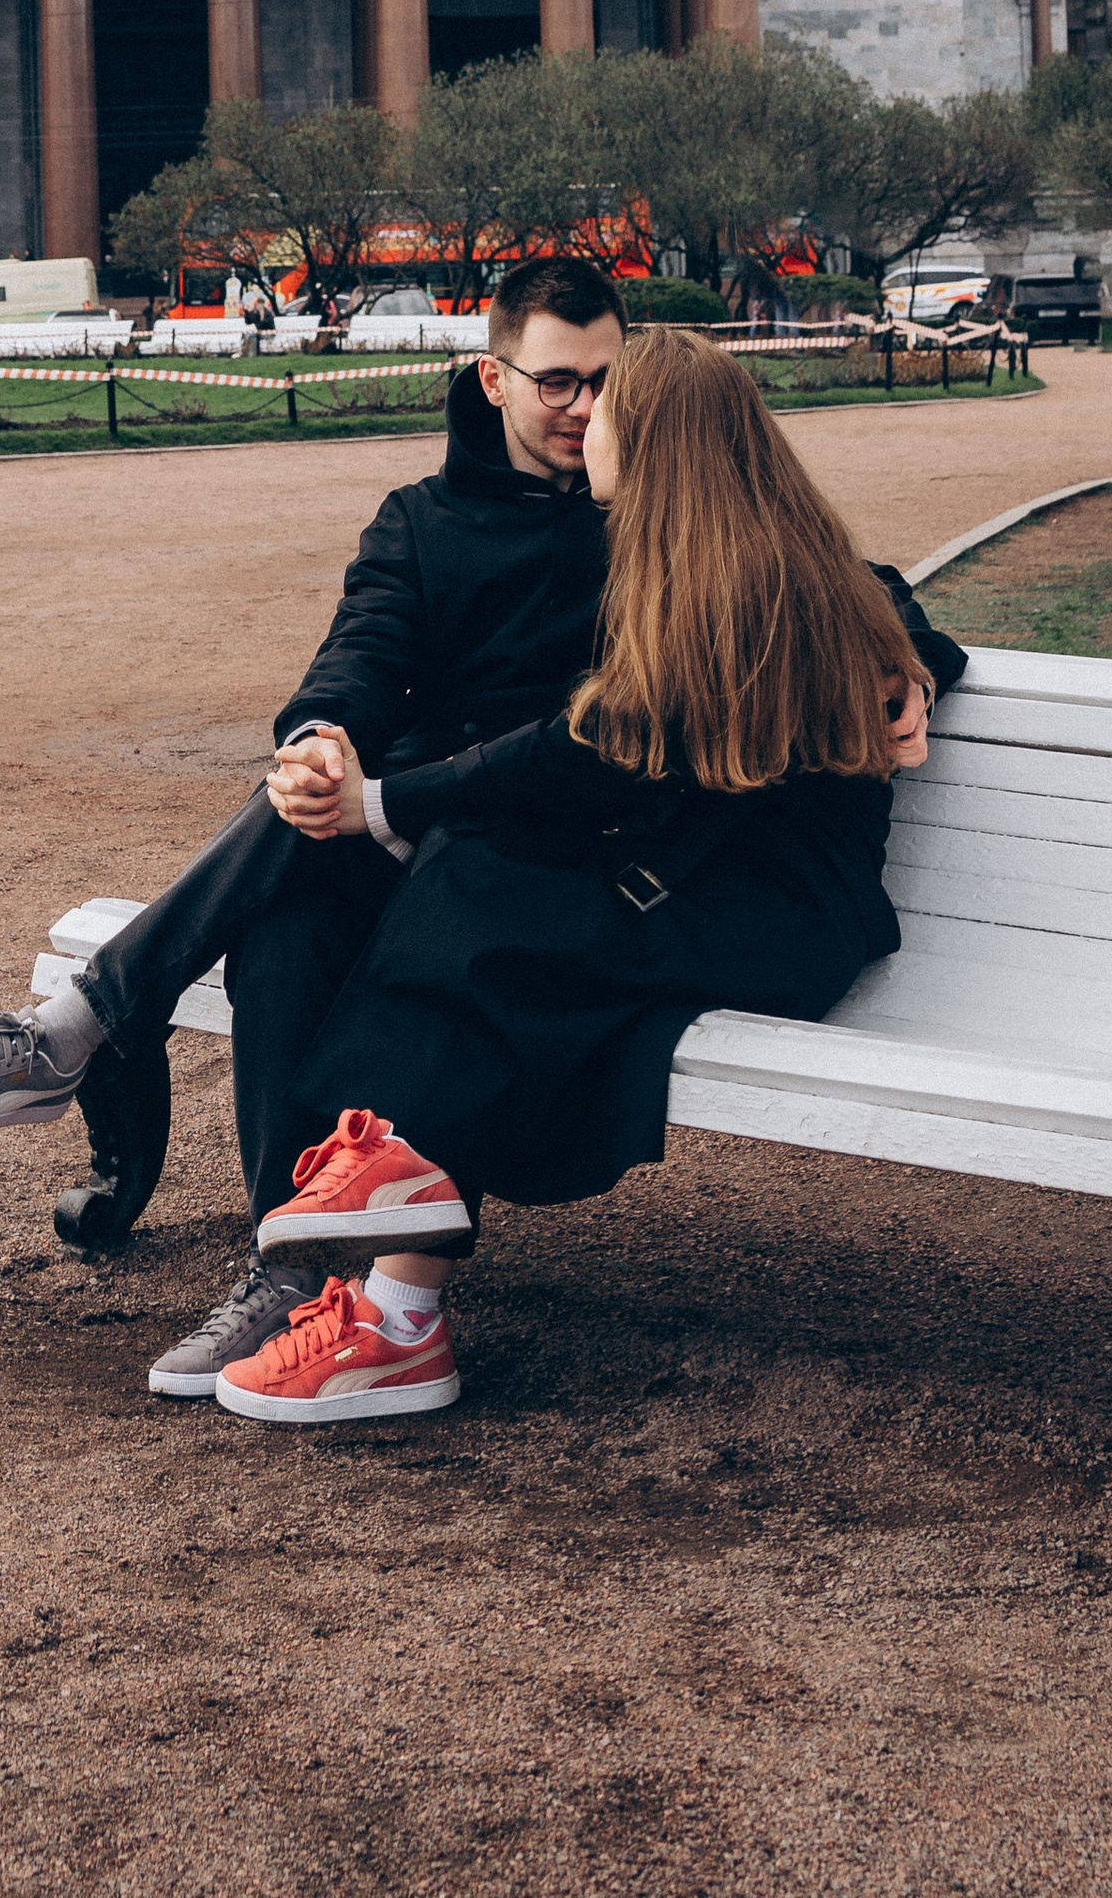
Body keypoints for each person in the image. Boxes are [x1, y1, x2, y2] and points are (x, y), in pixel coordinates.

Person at [0, 264, 964, 1403]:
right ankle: (279, 1257)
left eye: (607, 386)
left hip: (570, 845)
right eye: (558, 382)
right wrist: (319, 745)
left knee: (437, 902)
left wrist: (908, 664)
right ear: (492, 378)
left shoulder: (675, 524)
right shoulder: (433, 522)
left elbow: (835, 604)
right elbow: (359, 659)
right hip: (495, 832)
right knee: (296, 903)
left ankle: (115, 1067)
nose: (584, 408)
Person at [209, 322, 958, 1426]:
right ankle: (396, 1294)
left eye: (606, 405)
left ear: (650, 439)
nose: (583, 421)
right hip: (710, 885)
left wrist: (383, 805)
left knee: (482, 899)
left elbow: (581, 744)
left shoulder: (735, 581)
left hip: (782, 919)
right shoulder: (719, 551)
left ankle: (382, 1189)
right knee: (481, 894)